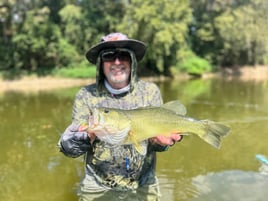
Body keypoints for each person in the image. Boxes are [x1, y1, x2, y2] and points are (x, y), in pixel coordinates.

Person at [58, 33, 182, 201]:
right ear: (101, 63)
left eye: (123, 55)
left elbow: (157, 142)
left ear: (132, 60)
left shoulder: (150, 91)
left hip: (143, 184)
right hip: (97, 186)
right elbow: (71, 147)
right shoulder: (85, 95)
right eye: (109, 56)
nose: (117, 62)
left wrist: (161, 143)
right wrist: (77, 140)